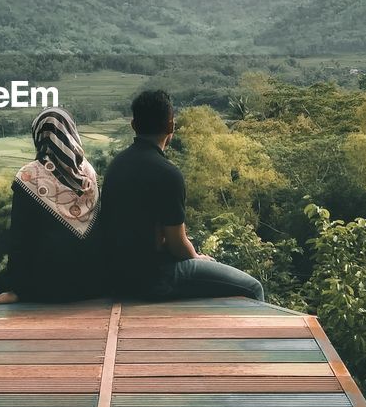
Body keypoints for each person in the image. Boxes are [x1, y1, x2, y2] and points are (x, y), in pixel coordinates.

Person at [98, 89, 264, 302]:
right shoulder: (167, 173)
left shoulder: (116, 166)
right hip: (154, 278)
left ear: (133, 125)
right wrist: (197, 258)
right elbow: (177, 244)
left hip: (118, 276)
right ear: (170, 126)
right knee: (253, 287)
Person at [0, 106, 105, 304]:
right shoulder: (89, 172)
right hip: (95, 281)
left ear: (38, 135)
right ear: (71, 133)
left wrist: (15, 289)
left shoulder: (29, 176)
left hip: (49, 285)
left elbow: (20, 239)